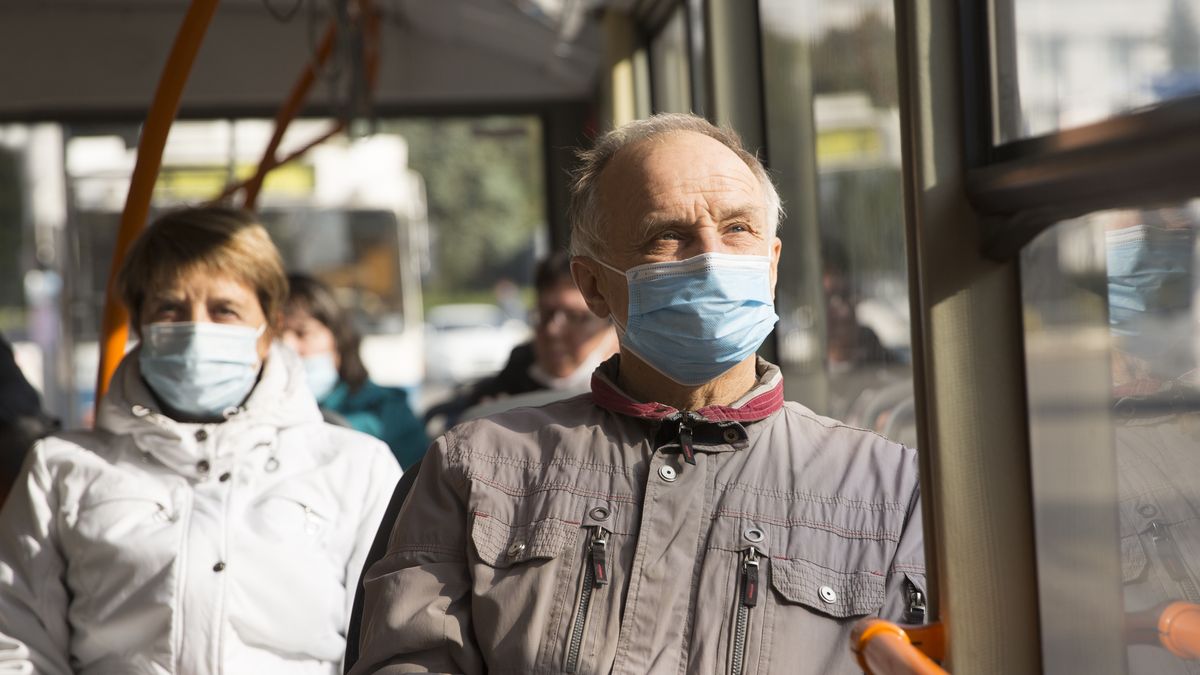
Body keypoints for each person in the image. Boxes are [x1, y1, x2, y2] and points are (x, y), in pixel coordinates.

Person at [350, 113, 924, 674]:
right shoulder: (476, 468)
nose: (710, 257)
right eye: (667, 234)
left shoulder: (890, 490)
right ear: (594, 286)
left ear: (771, 265)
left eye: (738, 228)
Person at [0, 206, 400, 674]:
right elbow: (16, 641)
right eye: (170, 308)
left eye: (224, 309)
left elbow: (391, 642)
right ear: (140, 325)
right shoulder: (61, 469)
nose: (196, 329)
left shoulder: (355, 468)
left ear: (269, 327)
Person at [424, 250, 619, 428]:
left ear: (611, 324)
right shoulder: (513, 377)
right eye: (545, 314)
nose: (552, 330)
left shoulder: (631, 387)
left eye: (575, 317)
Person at [282, 274, 428, 470]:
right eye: (274, 336)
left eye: (303, 333)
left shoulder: (384, 412)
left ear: (339, 339)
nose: (287, 347)